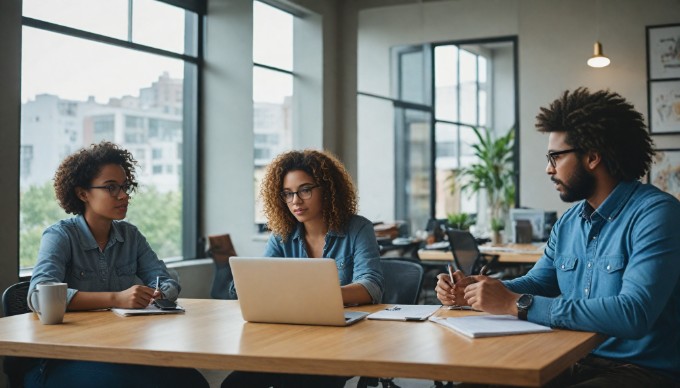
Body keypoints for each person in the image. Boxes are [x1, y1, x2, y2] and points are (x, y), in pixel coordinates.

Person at [436, 88, 680, 387]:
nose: (548, 168)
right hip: (569, 356)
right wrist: (479, 292)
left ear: (592, 157)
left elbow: (633, 312)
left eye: (556, 156)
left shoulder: (656, 214)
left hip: (640, 370)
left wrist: (517, 304)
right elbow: (539, 282)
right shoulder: (569, 222)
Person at [26, 142, 208, 388]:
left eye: (125, 187)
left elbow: (165, 278)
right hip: (66, 359)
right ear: (83, 194)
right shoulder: (60, 237)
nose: (123, 195)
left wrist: (160, 293)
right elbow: (39, 295)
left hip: (120, 352)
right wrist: (116, 298)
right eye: (111, 188)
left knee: (192, 382)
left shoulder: (131, 236)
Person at [222, 149, 384, 388]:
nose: (296, 201)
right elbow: (256, 280)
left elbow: (372, 286)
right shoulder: (282, 235)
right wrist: (248, 286)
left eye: (305, 190)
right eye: (288, 194)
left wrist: (315, 297)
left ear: (327, 190)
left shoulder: (357, 228)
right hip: (287, 338)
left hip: (340, 340)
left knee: (300, 381)